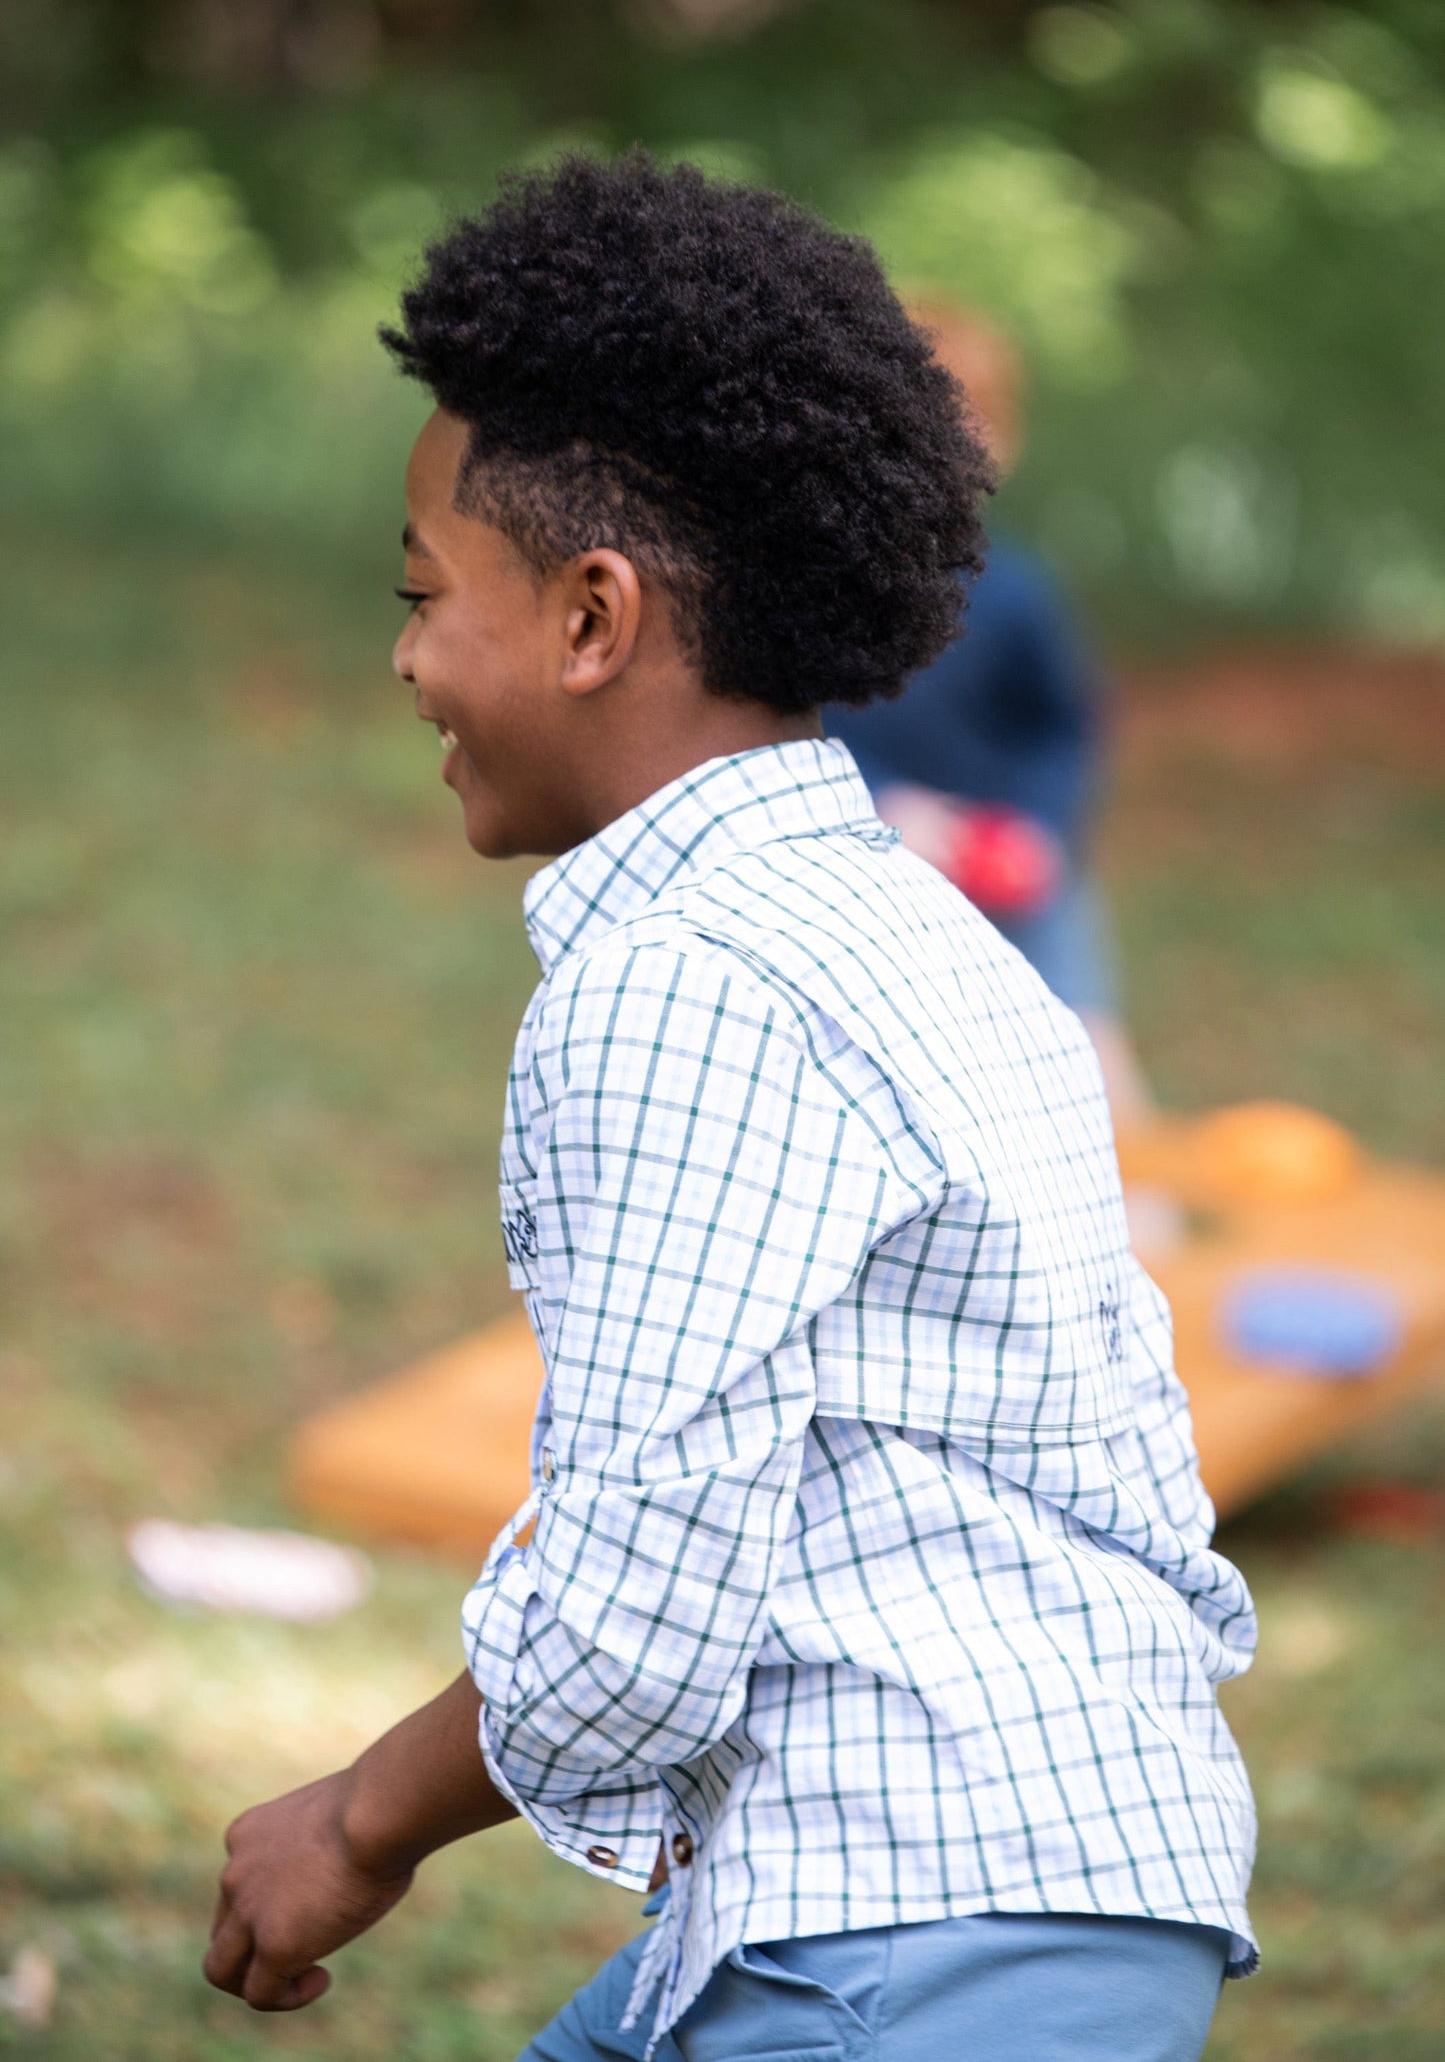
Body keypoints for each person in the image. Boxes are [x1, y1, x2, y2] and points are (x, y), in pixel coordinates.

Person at [203, 155, 1257, 2062]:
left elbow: (633, 1631)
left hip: (904, 1937)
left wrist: (353, 1823)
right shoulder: (931, 945)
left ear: (594, 618)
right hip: (1048, 1889)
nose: (404, 658)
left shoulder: (683, 990)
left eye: (423, 595)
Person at [824, 305, 1152, 1128]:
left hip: (1010, 864)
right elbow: (791, 723)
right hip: (867, 869)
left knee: (1080, 1038)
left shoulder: (1016, 590)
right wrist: (880, 803)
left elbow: (1060, 727)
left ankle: (1130, 1180)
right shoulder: (816, 591)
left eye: (966, 425)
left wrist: (1037, 825)